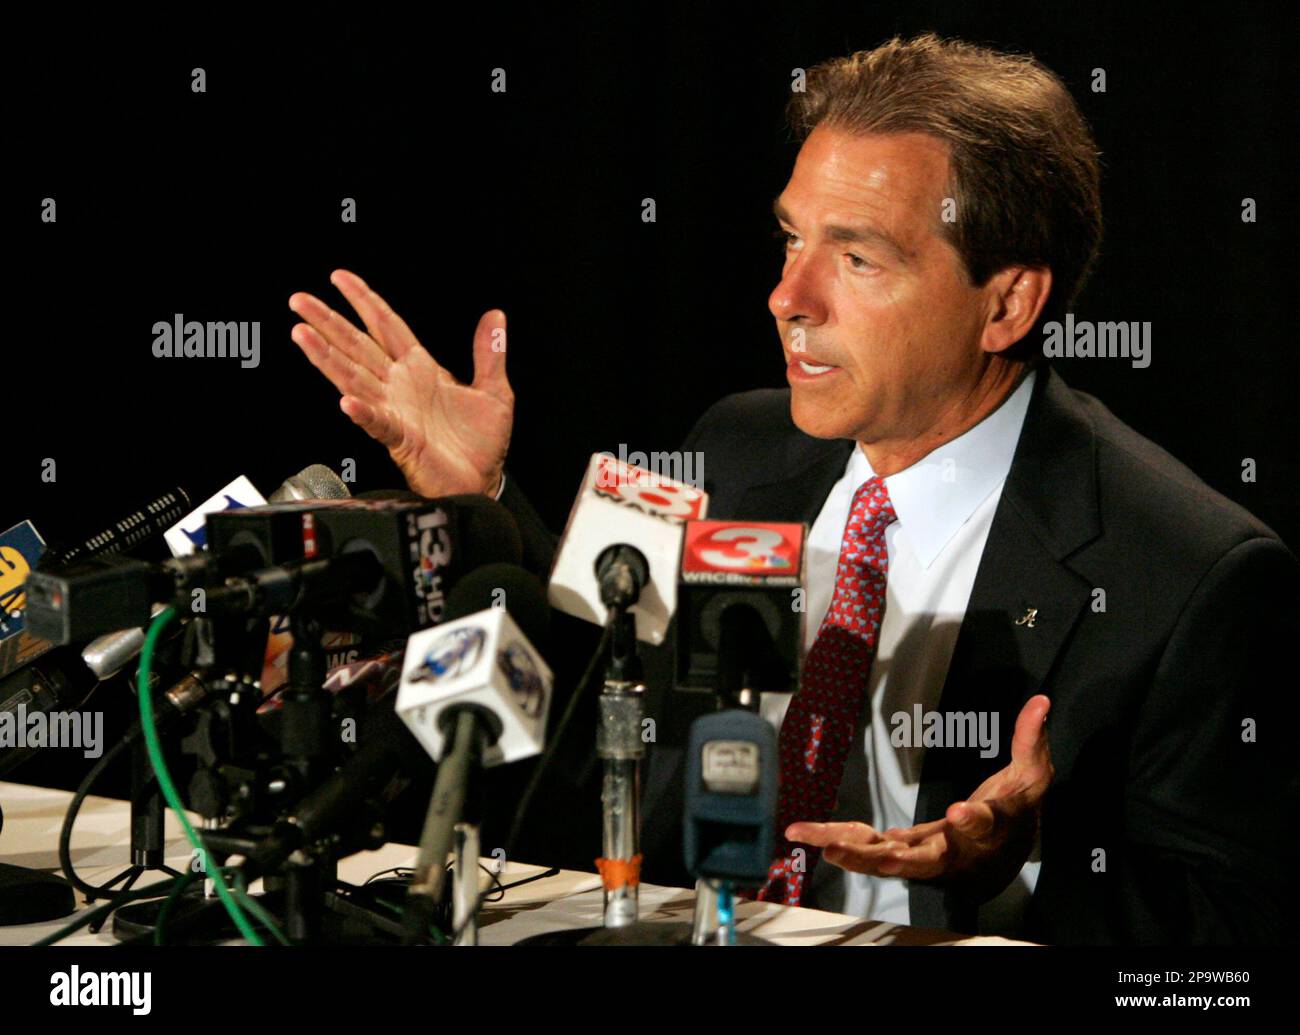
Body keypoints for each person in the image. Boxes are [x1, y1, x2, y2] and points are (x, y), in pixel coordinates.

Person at [286, 34, 1298, 944]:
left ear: (1007, 303)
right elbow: (588, 678)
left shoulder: (1186, 571)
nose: (787, 298)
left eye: (855, 258)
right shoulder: (731, 445)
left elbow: (1237, 937)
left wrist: (1014, 871)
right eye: (789, 239)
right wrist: (480, 502)